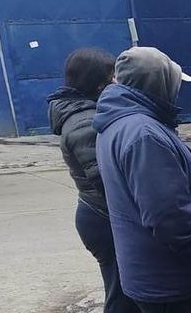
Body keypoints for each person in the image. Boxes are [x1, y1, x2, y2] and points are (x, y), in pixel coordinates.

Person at [93, 47, 191, 313]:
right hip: (168, 281)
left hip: (152, 275)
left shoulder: (119, 122)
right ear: (157, 84)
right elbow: (168, 218)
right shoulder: (144, 133)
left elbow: (148, 184)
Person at [47, 48, 141, 313]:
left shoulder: (87, 112)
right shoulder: (84, 122)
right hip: (103, 217)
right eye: (111, 77)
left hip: (100, 213)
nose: (115, 82)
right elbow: (106, 181)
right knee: (122, 295)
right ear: (97, 82)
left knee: (125, 290)